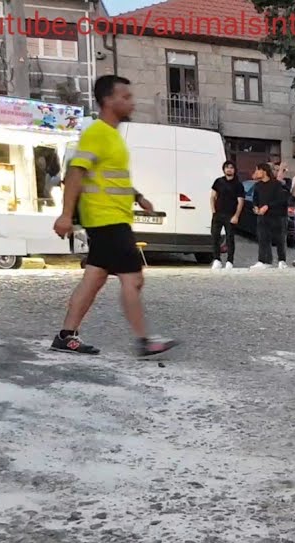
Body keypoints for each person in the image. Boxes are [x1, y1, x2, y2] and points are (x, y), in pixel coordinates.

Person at [49, 74, 177, 358]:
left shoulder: (111, 136)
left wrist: (137, 196)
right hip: (107, 220)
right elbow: (75, 173)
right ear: (108, 100)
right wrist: (65, 215)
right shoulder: (97, 133)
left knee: (94, 278)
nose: (131, 102)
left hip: (111, 219)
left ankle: (66, 336)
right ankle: (144, 340)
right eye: (126, 97)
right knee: (133, 279)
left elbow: (110, 178)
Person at [250, 162, 289, 270]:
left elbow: (281, 200)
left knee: (279, 239)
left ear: (264, 171)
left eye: (257, 170)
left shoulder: (276, 184)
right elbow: (255, 200)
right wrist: (256, 207)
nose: (256, 172)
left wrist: (267, 206)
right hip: (262, 216)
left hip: (277, 215)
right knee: (263, 238)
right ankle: (264, 260)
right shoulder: (257, 185)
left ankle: (282, 260)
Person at [209, 161, 244, 270]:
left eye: (231, 167)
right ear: (223, 169)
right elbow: (212, 197)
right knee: (215, 237)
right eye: (227, 167)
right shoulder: (218, 181)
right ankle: (216, 259)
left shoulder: (238, 184)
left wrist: (236, 216)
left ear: (234, 170)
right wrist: (213, 211)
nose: (229, 169)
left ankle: (230, 261)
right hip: (218, 214)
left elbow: (240, 201)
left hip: (231, 214)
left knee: (230, 238)